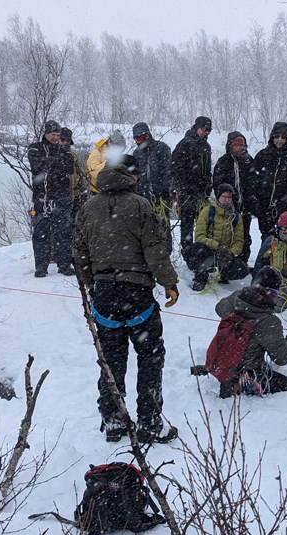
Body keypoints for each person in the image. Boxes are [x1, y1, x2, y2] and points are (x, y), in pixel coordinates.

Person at [73, 165, 180, 444]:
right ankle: (150, 421)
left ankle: (113, 419)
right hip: (137, 294)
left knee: (111, 361)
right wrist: (168, 281)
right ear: (128, 180)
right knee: (150, 358)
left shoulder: (88, 208)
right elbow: (154, 248)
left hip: (105, 294)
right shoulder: (140, 205)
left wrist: (91, 283)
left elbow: (79, 251)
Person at [213, 266, 287, 398]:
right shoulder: (269, 322)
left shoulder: (235, 298)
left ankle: (230, 377)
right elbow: (281, 358)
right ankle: (242, 380)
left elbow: (219, 307)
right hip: (248, 369)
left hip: (224, 361)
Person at [27, 119, 75, 278]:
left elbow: (69, 168)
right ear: (46, 133)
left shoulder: (64, 151)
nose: (55, 137)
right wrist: (54, 162)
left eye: (57, 134)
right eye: (53, 134)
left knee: (64, 233)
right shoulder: (36, 148)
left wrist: (54, 162)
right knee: (41, 234)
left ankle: (64, 265)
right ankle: (41, 267)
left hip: (61, 197)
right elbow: (37, 166)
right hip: (42, 198)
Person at [186, 184, 252, 291]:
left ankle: (224, 274)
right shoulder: (207, 211)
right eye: (224, 196)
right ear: (218, 197)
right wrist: (218, 246)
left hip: (226, 254)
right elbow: (199, 236)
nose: (227, 200)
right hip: (208, 250)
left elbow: (239, 240)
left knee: (241, 270)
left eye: (229, 197)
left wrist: (230, 253)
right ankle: (201, 277)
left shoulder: (236, 217)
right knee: (198, 250)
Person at [251, 122, 287, 237]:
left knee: (284, 237)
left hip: (284, 206)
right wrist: (256, 202)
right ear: (272, 137)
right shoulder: (263, 155)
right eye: (276, 137)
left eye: (283, 137)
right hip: (264, 206)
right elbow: (253, 180)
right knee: (266, 238)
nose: (279, 140)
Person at [213, 131, 257, 263]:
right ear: (230, 145)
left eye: (242, 145)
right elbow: (217, 185)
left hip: (245, 207)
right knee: (226, 236)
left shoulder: (249, 161)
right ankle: (225, 264)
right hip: (228, 207)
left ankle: (242, 263)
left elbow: (255, 182)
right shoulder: (223, 162)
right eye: (236, 145)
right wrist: (228, 198)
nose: (239, 148)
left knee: (243, 236)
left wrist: (251, 200)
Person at [171, 116, 213, 255]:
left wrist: (208, 186)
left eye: (209, 130)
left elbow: (207, 170)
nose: (206, 132)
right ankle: (187, 251)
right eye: (204, 129)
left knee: (204, 224)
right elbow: (176, 169)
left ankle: (203, 251)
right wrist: (184, 187)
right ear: (197, 127)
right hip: (187, 192)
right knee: (187, 224)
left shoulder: (206, 146)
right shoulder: (185, 143)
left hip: (202, 193)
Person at [132, 122, 174, 252]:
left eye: (141, 138)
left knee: (163, 226)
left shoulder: (162, 148)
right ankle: (150, 254)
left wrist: (166, 191)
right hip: (143, 198)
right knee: (145, 228)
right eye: (137, 139)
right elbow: (135, 175)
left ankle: (165, 253)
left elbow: (168, 170)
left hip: (161, 197)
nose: (139, 142)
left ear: (148, 135)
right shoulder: (137, 154)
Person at [60, 127, 90, 215]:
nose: (65, 142)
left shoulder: (73, 156)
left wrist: (83, 192)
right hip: (59, 195)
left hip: (75, 195)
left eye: (68, 140)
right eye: (63, 140)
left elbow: (79, 174)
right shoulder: (52, 156)